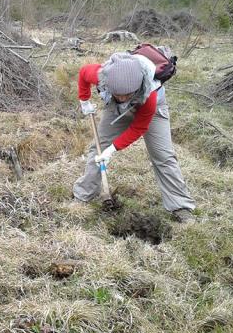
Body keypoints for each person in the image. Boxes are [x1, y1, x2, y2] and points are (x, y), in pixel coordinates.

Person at [73, 52, 196, 223]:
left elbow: (139, 127)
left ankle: (180, 206)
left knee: (163, 156)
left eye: (127, 94)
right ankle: (84, 194)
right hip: (116, 110)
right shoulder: (102, 75)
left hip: (151, 111)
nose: (123, 98)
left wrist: (112, 149)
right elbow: (83, 73)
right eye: (118, 94)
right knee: (98, 148)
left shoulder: (150, 92)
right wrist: (84, 100)